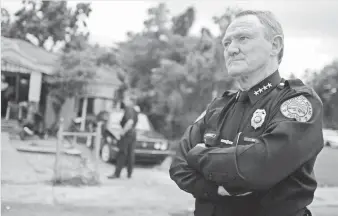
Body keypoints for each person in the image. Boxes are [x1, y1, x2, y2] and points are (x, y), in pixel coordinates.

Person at [169, 10, 324, 216]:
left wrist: (198, 155)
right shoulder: (218, 106)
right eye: (226, 43)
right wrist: (214, 189)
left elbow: (259, 167)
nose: (231, 49)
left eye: (243, 38)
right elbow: (178, 166)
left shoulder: (298, 102)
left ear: (274, 45)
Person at [108, 91, 139, 179]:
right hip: (133, 134)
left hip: (127, 135)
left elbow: (130, 122)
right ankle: (129, 173)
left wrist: (123, 131)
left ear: (130, 100)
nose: (124, 101)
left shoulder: (128, 108)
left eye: (125, 99)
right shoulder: (135, 110)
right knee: (130, 154)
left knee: (122, 153)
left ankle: (117, 173)